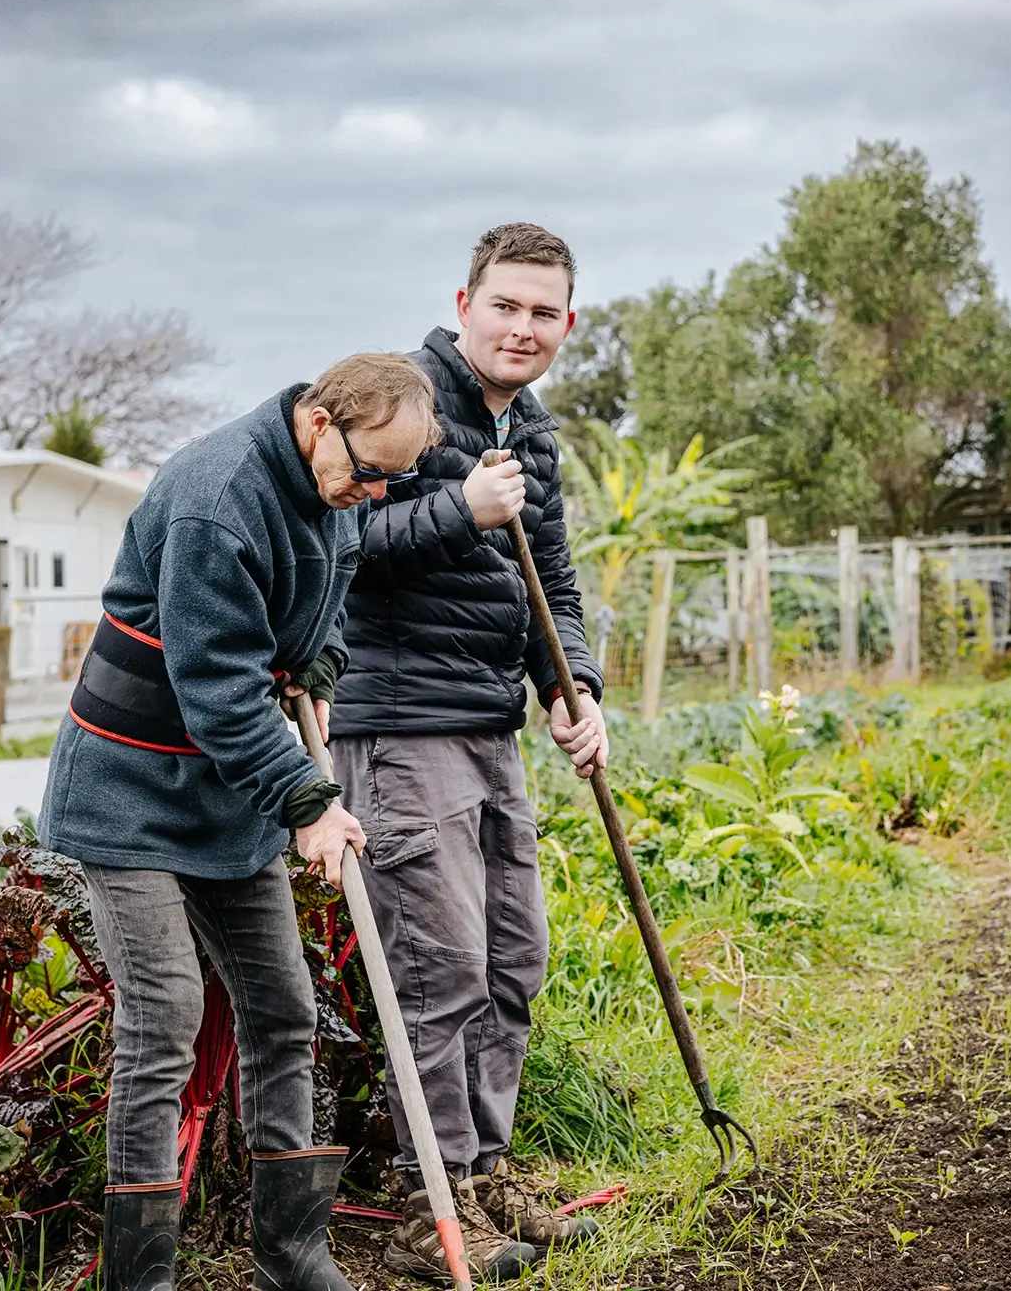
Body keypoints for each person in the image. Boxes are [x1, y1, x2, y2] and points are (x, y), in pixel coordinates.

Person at [37, 354, 440, 1291]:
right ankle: (140, 1278)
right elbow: (217, 689)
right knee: (165, 1018)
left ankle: (290, 1256)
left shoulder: (336, 491)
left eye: (391, 480)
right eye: (368, 472)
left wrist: (323, 672)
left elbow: (324, 614)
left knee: (283, 1010)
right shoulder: (215, 499)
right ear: (317, 422)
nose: (373, 495)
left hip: (226, 798)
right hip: (130, 795)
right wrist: (307, 803)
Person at [330, 223, 609, 1281]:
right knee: (439, 968)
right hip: (400, 729)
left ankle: (485, 1175)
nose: (523, 327)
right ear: (465, 303)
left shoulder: (530, 433)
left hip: (491, 728)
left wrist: (571, 685)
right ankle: (427, 1202)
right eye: (507, 305)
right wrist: (457, 508)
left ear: (566, 324)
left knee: (512, 958)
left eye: (545, 312)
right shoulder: (402, 403)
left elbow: (558, 589)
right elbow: (339, 544)